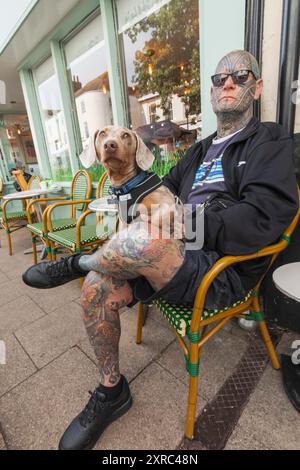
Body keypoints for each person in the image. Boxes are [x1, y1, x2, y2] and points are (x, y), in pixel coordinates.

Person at [22, 50, 299, 450]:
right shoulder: (199, 150)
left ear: (256, 87)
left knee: (144, 236)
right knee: (96, 288)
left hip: (219, 268)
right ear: (211, 91)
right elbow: (158, 189)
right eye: (220, 78)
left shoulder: (268, 140)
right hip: (166, 252)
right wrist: (137, 199)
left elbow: (262, 218)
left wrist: (184, 221)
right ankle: (111, 388)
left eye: (240, 75)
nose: (228, 83)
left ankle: (77, 262)